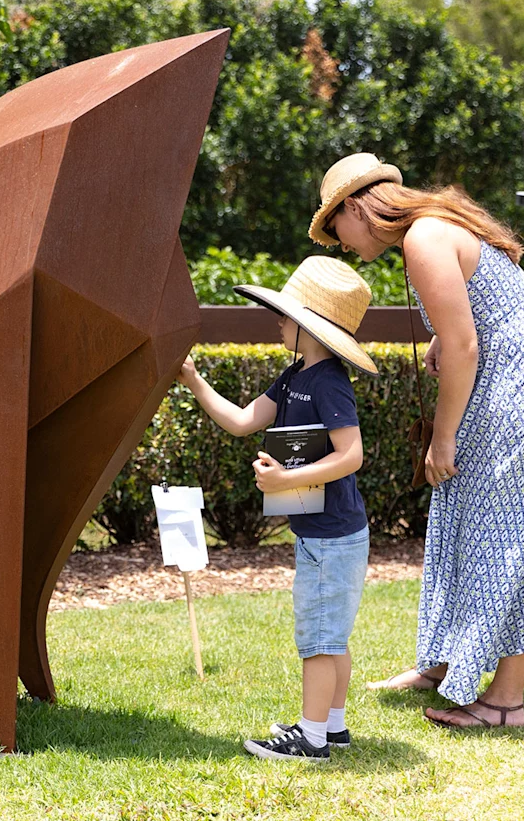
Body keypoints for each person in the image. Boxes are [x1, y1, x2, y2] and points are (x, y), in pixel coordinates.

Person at [308, 153, 524, 729]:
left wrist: (443, 436)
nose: (338, 241)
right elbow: (481, 317)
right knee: (461, 518)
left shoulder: (425, 239)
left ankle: (505, 702)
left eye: (335, 227)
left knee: (511, 538)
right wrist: (445, 344)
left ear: (357, 207)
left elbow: (465, 348)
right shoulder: (437, 230)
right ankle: (439, 662)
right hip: (522, 392)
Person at [176, 256, 377, 761]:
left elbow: (351, 455)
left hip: (333, 536)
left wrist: (285, 479)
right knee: (332, 636)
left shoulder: (329, 380)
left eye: (286, 315)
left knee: (318, 639)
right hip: (322, 534)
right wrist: (195, 382)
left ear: (311, 325)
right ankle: (332, 726)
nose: (279, 321)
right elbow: (244, 421)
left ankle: (310, 741)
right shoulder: (293, 376)